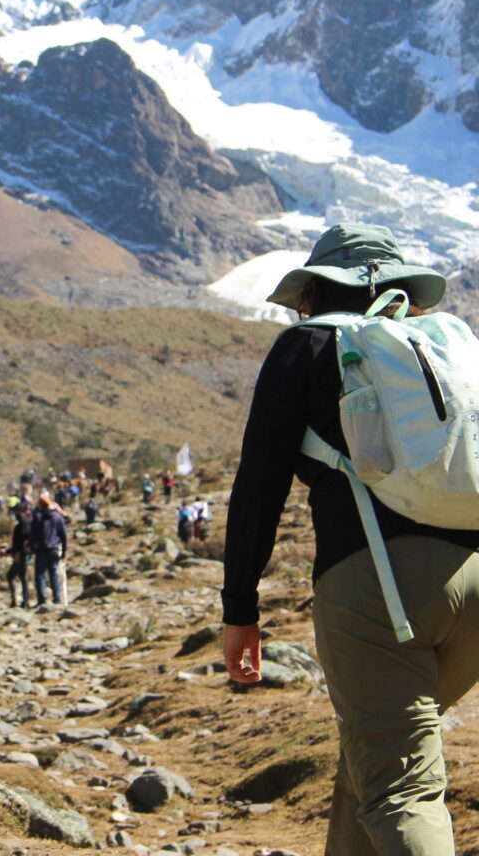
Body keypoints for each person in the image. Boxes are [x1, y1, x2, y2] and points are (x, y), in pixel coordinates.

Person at [221, 222, 479, 856]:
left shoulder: (305, 346)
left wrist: (240, 612)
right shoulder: (449, 353)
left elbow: (259, 486)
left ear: (313, 292)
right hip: (476, 582)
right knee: (376, 749)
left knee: (401, 787)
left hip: (377, 592)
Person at [30, 492, 67, 606]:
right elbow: (63, 535)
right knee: (54, 574)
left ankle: (42, 599)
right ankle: (57, 598)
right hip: (54, 550)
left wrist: (32, 548)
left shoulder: (38, 517)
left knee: (40, 575)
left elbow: (33, 535)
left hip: (41, 550)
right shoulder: (58, 517)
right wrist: (64, 551)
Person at [1, 502, 32, 608]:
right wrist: (9, 551)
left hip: (22, 554)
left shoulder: (23, 523)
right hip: (21, 553)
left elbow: (24, 540)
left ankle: (23, 602)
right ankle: (20, 601)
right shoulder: (24, 522)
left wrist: (18, 552)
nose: (14, 513)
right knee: (16, 576)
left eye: (15, 511)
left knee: (20, 577)